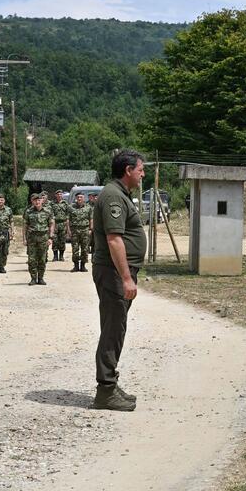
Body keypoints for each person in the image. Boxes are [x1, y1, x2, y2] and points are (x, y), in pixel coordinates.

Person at [91, 149, 147, 411]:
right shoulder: (113, 196)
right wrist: (126, 278)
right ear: (128, 171)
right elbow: (114, 239)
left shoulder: (120, 195)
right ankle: (106, 391)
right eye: (140, 169)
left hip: (116, 272)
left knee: (116, 327)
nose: (142, 174)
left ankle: (110, 385)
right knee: (114, 328)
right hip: (113, 272)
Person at [23, 193, 54, 285]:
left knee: (42, 259)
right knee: (31, 260)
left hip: (43, 238)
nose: (37, 202)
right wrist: (24, 239)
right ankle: (33, 278)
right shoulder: (28, 212)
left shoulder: (48, 211)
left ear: (42, 201)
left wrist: (50, 237)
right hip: (32, 238)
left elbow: (51, 224)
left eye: (39, 200)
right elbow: (25, 226)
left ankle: (40, 278)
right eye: (35, 200)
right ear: (33, 201)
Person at [69, 193, 93, 272]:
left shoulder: (88, 207)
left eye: (81, 197)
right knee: (75, 248)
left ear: (83, 198)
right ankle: (76, 266)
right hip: (75, 230)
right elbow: (68, 219)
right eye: (78, 197)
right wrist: (68, 230)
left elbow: (91, 219)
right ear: (76, 198)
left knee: (85, 248)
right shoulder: (71, 207)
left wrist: (90, 229)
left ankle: (83, 266)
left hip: (85, 230)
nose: (79, 198)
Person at [51, 190, 71, 262]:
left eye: (60, 194)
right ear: (55, 195)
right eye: (58, 194)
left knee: (62, 240)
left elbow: (68, 213)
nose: (59, 195)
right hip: (55, 224)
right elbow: (50, 213)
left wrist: (67, 225)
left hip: (63, 223)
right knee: (55, 240)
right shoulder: (52, 204)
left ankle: (61, 256)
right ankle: (55, 256)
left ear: (62, 195)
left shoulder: (65, 203)